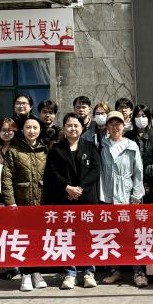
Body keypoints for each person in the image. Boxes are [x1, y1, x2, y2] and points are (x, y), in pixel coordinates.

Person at [44, 113, 101, 290]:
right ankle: (70, 273)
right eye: (69, 125)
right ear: (63, 128)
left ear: (82, 128)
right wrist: (67, 187)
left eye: (76, 125)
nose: (73, 128)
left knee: (87, 236)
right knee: (67, 236)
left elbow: (95, 170)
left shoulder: (90, 147)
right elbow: (51, 172)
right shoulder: (56, 149)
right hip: (65, 198)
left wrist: (80, 188)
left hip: (87, 199)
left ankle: (88, 272)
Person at [1, 114, 49, 292]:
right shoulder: (14, 151)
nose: (32, 131)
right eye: (28, 127)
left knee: (38, 239)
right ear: (22, 130)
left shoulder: (45, 150)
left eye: (35, 127)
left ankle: (36, 272)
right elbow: (6, 179)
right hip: (21, 204)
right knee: (23, 240)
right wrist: (10, 203)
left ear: (40, 130)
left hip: (41, 203)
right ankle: (25, 274)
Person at [99, 111, 146, 286]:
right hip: (107, 196)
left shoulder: (131, 146)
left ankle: (138, 271)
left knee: (132, 235)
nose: (115, 127)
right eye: (111, 123)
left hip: (127, 197)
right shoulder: (102, 145)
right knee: (111, 235)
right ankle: (114, 270)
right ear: (107, 126)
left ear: (124, 125)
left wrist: (136, 197)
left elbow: (138, 173)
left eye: (118, 123)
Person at [125, 104, 153, 198]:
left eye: (143, 116)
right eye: (138, 116)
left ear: (149, 118)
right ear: (133, 118)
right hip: (132, 179)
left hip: (151, 180)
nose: (141, 118)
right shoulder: (128, 135)